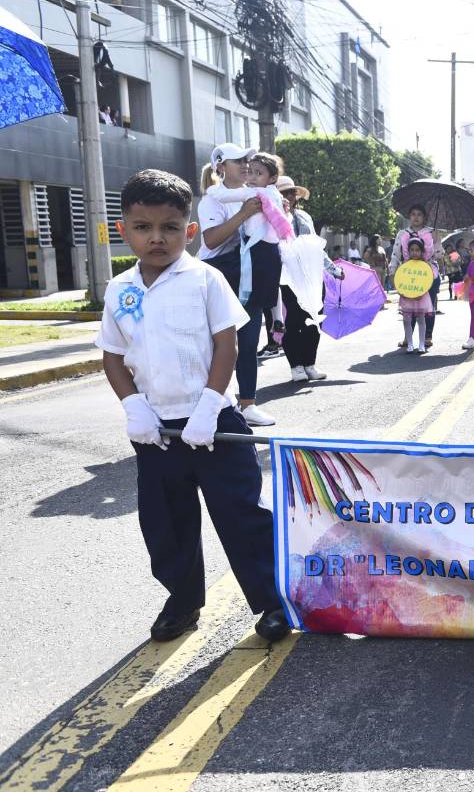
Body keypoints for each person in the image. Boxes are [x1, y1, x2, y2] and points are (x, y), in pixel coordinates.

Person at [96, 169, 287, 644]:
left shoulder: (205, 279)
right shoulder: (120, 290)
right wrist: (134, 407)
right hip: (156, 432)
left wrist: (207, 406)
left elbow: (228, 346)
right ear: (124, 231)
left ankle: (272, 601)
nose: (156, 238)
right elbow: (113, 356)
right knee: (166, 523)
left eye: (170, 228)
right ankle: (183, 601)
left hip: (213, 424)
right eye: (143, 228)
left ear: (191, 230)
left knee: (242, 516)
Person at [197, 143, 277, 427]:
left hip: (247, 275)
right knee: (214, 345)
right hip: (217, 277)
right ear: (221, 167)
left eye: (247, 160)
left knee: (249, 340)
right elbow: (211, 241)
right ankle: (209, 401)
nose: (245, 165)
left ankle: (248, 404)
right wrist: (243, 214)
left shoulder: (255, 194)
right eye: (238, 161)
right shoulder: (211, 200)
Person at [277, 175, 343, 382]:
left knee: (314, 320)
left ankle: (310, 364)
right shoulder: (270, 217)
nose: (289, 196)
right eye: (284, 192)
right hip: (288, 277)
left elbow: (316, 248)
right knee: (293, 320)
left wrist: (333, 269)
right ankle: (295, 366)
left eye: (291, 192)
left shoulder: (305, 217)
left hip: (313, 276)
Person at [391, 207, 441, 346]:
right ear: (409, 216)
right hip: (408, 274)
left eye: (419, 214)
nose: (416, 217)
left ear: (424, 217)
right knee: (408, 307)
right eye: (413, 214)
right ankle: (408, 337)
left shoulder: (431, 232)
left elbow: (439, 255)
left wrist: (436, 242)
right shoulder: (402, 234)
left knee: (428, 305)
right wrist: (392, 272)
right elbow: (395, 254)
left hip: (429, 274)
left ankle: (427, 336)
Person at [397, 237, 435, 354]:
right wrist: (400, 291)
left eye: (417, 250)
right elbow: (400, 280)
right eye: (412, 250)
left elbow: (428, 280)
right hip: (406, 298)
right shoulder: (405, 265)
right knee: (406, 321)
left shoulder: (425, 265)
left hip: (421, 298)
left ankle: (422, 344)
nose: (414, 252)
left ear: (422, 251)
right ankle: (410, 344)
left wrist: (421, 292)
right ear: (408, 251)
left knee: (421, 320)